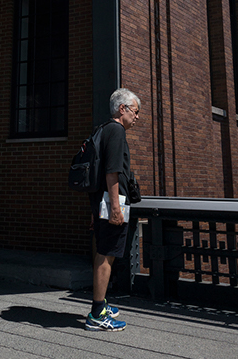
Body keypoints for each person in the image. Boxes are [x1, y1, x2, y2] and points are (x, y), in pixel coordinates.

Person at [86, 88, 141, 332]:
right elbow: (111, 171)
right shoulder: (117, 131)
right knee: (106, 256)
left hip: (100, 202)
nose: (137, 117)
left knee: (102, 252)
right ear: (123, 109)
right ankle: (97, 314)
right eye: (135, 112)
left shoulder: (103, 129)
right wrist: (116, 209)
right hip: (111, 203)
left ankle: (102, 304)